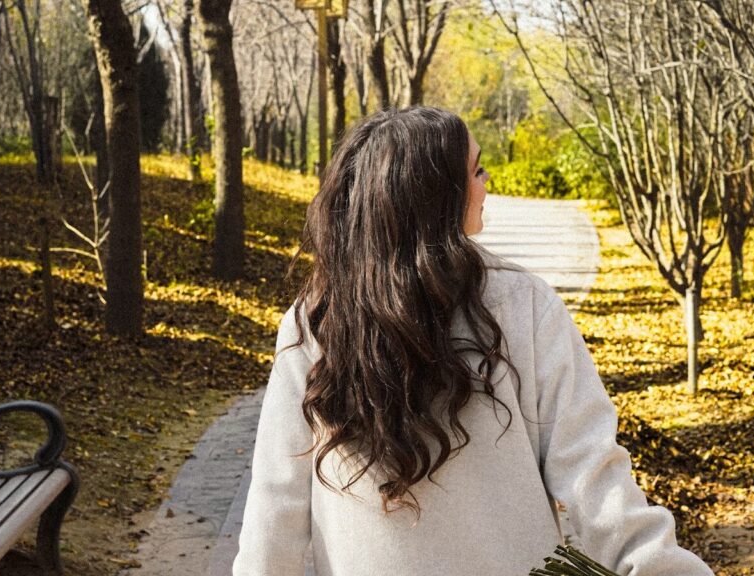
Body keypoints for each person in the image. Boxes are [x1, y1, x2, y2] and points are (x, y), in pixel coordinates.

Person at [232, 106, 714, 576]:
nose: (487, 184)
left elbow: (276, 508)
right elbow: (596, 479)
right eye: (477, 170)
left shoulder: (315, 321)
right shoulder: (522, 304)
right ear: (434, 196)